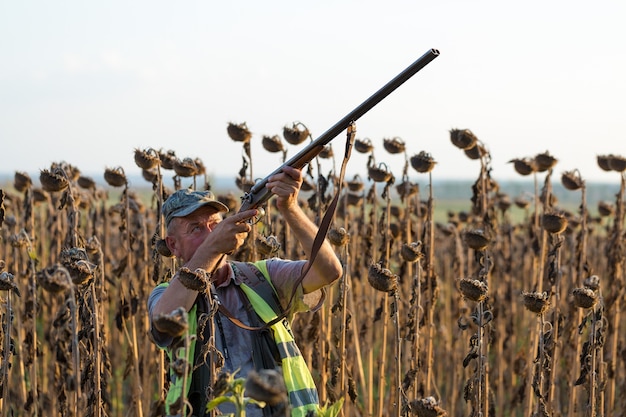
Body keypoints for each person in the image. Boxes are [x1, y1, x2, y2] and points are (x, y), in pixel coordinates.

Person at [148, 166, 343, 417]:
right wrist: (212, 248)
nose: (211, 233)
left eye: (215, 225)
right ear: (173, 245)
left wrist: (290, 208)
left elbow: (328, 271)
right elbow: (163, 322)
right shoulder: (165, 294)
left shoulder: (262, 277)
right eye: (196, 228)